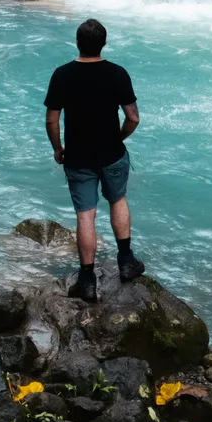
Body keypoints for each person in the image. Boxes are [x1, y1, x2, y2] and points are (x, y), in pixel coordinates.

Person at [44, 17, 145, 302]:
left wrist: (58, 148)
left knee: (85, 215)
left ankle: (87, 280)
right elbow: (133, 118)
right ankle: (126, 261)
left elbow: (52, 120)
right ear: (104, 43)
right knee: (118, 200)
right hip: (112, 153)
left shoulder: (62, 75)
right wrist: (119, 138)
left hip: (78, 156)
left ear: (77, 43)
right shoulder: (118, 73)